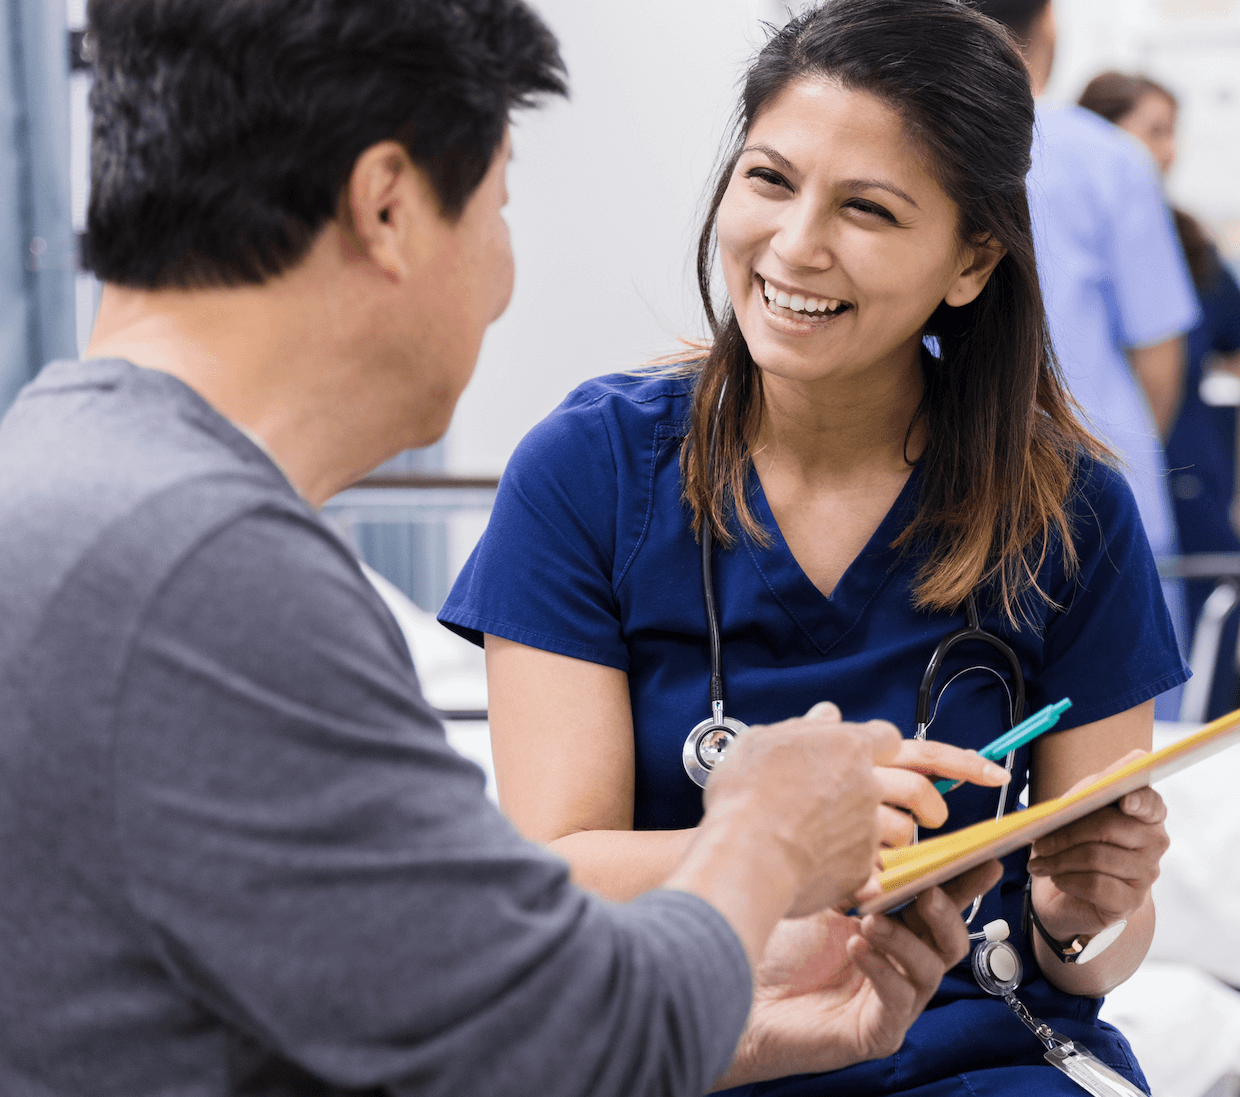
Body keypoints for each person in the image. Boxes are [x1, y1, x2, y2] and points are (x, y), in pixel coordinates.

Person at [0, 2, 992, 1094]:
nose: (505, 279)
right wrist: (768, 830)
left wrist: (772, 1023)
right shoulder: (209, 574)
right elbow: (553, 1046)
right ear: (387, 208)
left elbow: (425, 1009)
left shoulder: (61, 481)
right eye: (499, 204)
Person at [437, 1, 1181, 1093]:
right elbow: (559, 874)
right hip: (691, 1048)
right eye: (769, 180)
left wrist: (1081, 911)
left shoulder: (1070, 510)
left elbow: (1091, 957)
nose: (794, 245)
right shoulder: (591, 473)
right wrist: (793, 840)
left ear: (972, 258)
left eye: (866, 208)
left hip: (971, 1060)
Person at [973, 1, 1203, 708]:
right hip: (1106, 497)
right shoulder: (1111, 159)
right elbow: (1159, 360)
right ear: (1049, 24)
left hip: (961, 498)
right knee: (1138, 753)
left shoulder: (919, 149)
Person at [1079, 71, 1240, 719]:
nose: (1168, 151)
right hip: (1093, 523)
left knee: (1198, 728)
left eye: (1173, 132)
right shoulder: (1053, 247)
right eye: (1153, 131)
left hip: (1193, 525)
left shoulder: (1191, 251)